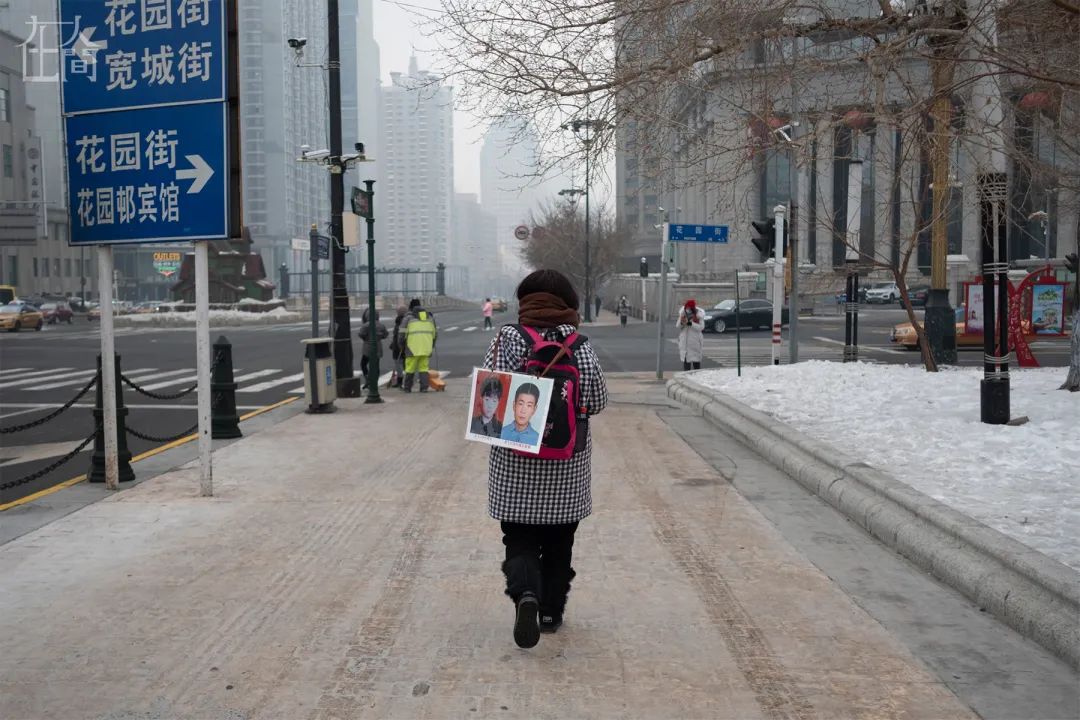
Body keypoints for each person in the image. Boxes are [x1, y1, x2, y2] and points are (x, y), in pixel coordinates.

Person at [482, 269, 608, 649]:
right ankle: (551, 612)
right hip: (565, 466)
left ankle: (526, 595)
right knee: (559, 540)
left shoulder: (508, 339)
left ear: (525, 302)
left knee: (518, 537)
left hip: (515, 461)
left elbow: (488, 392)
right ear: (569, 304)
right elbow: (598, 400)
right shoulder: (579, 345)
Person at [400, 298, 437, 393]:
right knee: (423, 368)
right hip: (426, 348)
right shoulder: (430, 318)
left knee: (410, 368)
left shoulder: (408, 319)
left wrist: (401, 345)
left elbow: (402, 334)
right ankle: (424, 387)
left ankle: (407, 387)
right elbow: (434, 334)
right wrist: (432, 345)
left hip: (412, 347)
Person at [357, 307, 388, 389]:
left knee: (363, 364)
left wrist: (366, 338)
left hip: (367, 347)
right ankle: (375, 382)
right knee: (376, 365)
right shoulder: (381, 325)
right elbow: (385, 335)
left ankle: (367, 379)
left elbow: (360, 334)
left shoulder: (366, 325)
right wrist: (379, 337)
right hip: (378, 347)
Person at [677, 298, 705, 370]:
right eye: (687, 308)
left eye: (689, 308)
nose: (688, 310)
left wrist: (690, 323)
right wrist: (682, 322)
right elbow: (678, 326)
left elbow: (701, 327)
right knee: (686, 362)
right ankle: (686, 377)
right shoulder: (683, 314)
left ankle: (697, 377)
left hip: (695, 342)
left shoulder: (698, 315)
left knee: (696, 362)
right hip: (685, 342)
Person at [389, 305, 408, 387]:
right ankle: (405, 380)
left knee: (399, 364)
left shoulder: (401, 322)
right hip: (402, 345)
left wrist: (399, 345)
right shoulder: (406, 320)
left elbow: (400, 335)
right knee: (404, 364)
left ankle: (400, 381)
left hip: (399, 346)